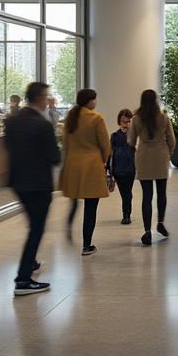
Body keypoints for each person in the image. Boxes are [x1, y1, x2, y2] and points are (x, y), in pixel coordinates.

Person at [4, 82, 61, 296]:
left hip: (18, 182)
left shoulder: (12, 121)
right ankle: (23, 280)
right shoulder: (42, 125)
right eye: (46, 96)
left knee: (33, 226)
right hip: (38, 184)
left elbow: (9, 147)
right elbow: (54, 158)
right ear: (39, 98)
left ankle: (31, 262)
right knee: (36, 230)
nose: (48, 100)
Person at [60, 89, 111, 256]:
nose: (96, 102)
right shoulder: (96, 118)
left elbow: (66, 143)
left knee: (74, 201)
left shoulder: (70, 118)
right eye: (95, 99)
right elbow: (105, 145)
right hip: (91, 166)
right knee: (91, 207)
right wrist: (104, 161)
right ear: (90, 101)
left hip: (73, 165)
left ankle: (68, 226)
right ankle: (86, 245)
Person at [129, 89, 176, 246]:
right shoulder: (163, 118)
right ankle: (160, 222)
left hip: (144, 157)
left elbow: (130, 140)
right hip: (160, 156)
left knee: (146, 196)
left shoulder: (136, 119)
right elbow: (172, 140)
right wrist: (167, 152)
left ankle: (147, 231)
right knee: (161, 192)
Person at [107, 108, 136, 224]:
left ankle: (126, 214)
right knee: (125, 192)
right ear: (119, 121)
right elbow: (110, 153)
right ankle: (126, 213)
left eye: (128, 121)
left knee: (127, 192)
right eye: (123, 121)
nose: (125, 123)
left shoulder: (133, 135)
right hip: (118, 169)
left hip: (130, 168)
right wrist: (109, 170)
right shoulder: (114, 136)